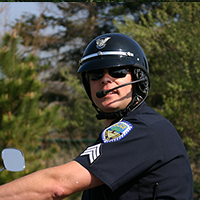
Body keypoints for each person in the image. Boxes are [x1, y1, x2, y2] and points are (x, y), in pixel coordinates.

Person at [0, 33, 193, 200]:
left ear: (137, 80)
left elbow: (58, 185)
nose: (105, 79)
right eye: (96, 74)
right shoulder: (116, 136)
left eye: (117, 71)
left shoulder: (145, 130)